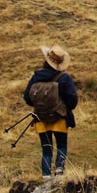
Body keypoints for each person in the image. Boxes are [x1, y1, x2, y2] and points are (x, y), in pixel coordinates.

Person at [23, 45, 78, 179]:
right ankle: (59, 173)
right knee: (61, 145)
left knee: (46, 148)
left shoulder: (36, 76)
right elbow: (72, 98)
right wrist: (64, 108)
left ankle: (46, 176)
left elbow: (27, 97)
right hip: (59, 117)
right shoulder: (64, 78)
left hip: (41, 118)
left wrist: (40, 106)